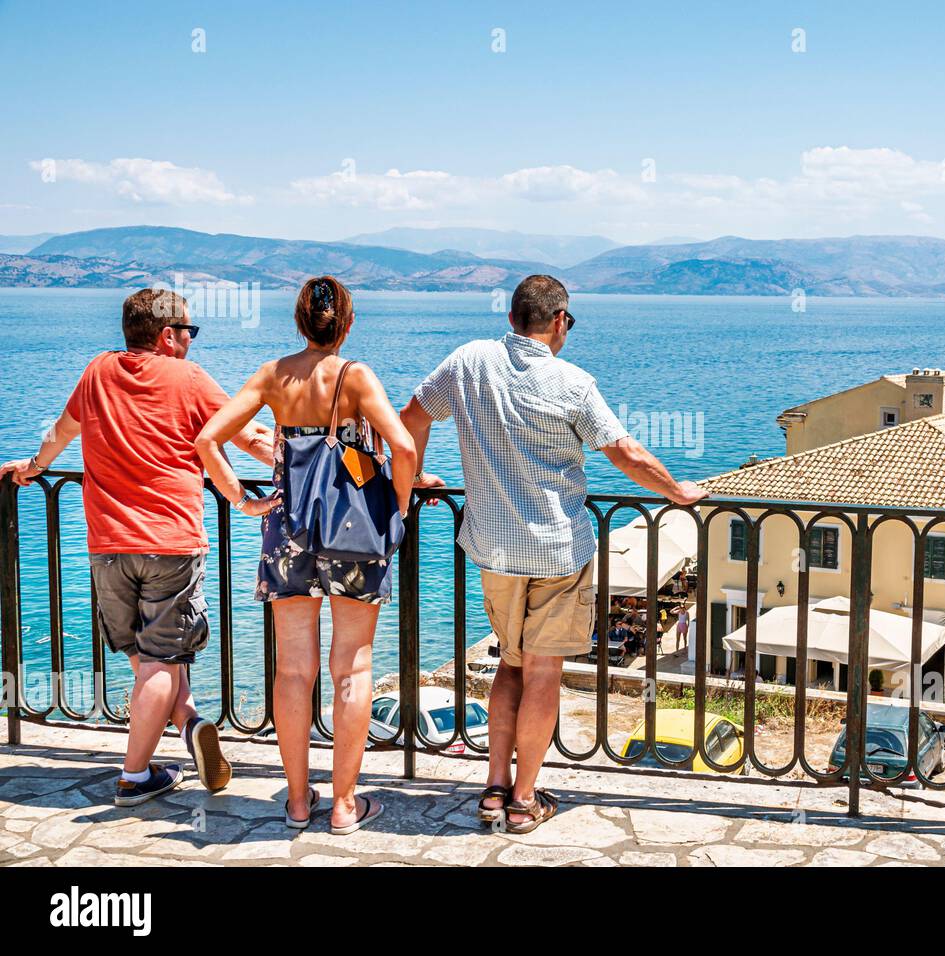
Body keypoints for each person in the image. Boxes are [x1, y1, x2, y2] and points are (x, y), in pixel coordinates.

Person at [400, 274, 706, 834]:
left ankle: (492, 790)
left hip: (493, 550)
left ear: (512, 318)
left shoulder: (468, 362)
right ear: (559, 321)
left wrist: (417, 477)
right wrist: (678, 492)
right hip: (557, 551)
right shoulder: (573, 384)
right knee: (543, 674)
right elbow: (625, 453)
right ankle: (522, 801)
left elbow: (411, 420)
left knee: (508, 666)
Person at [0, 289, 274, 806]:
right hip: (169, 542)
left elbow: (60, 433)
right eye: (189, 331)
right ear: (167, 335)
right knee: (160, 662)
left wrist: (31, 470)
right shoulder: (188, 379)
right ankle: (134, 775)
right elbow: (248, 437)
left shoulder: (96, 372)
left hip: (108, 548)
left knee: (150, 660)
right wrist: (307, 472)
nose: (192, 341)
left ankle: (189, 722)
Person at [196, 276, 416, 835]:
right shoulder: (355, 377)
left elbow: (207, 440)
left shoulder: (274, 375)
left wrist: (241, 500)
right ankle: (344, 805)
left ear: (299, 322)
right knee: (354, 666)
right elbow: (404, 445)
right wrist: (399, 504)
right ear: (347, 323)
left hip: (287, 530)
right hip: (353, 535)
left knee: (293, 671)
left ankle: (297, 801)